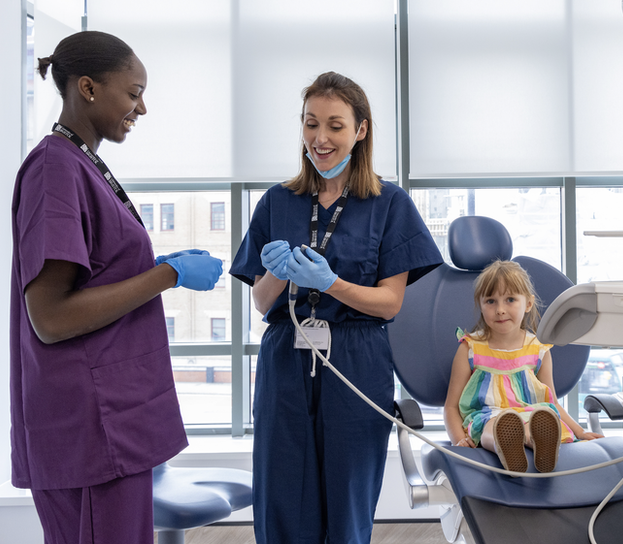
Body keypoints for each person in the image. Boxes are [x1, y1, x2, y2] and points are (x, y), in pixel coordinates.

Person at [10, 31, 223, 544]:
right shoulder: (53, 167)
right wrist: (166, 275)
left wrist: (159, 269)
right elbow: (51, 317)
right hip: (90, 426)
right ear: (87, 87)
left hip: (109, 422)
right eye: (133, 93)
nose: (142, 108)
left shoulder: (80, 163)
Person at [229, 71, 443, 544]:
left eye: (335, 125)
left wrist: (332, 283)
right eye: (310, 124)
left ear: (360, 130)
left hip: (356, 356)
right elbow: (262, 303)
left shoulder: (390, 204)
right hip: (285, 357)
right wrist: (277, 273)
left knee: (347, 501)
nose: (320, 138)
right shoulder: (276, 201)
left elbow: (389, 304)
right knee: (281, 496)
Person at [444, 260, 602, 473]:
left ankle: (538, 445)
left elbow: (552, 402)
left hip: (532, 413)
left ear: (528, 303)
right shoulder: (470, 348)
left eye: (510, 299)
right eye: (491, 301)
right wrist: (458, 440)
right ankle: (506, 445)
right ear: (481, 305)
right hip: (488, 415)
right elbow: (451, 406)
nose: (500, 310)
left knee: (540, 419)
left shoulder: (538, 350)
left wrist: (581, 432)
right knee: (494, 426)